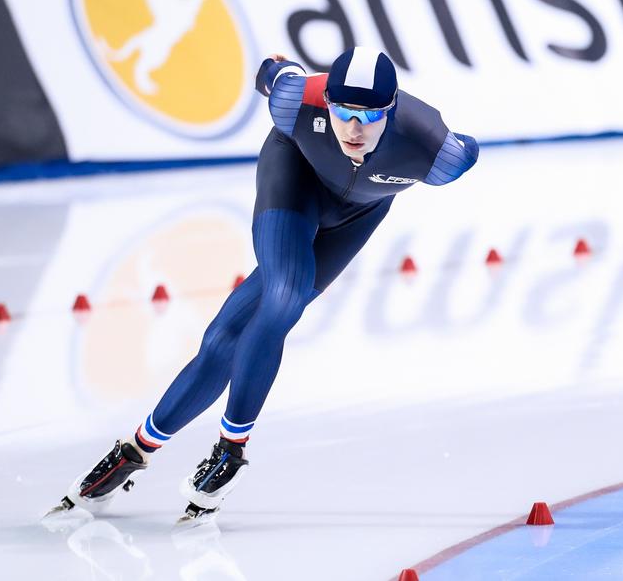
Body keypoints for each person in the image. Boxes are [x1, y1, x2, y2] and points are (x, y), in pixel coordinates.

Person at [44, 47, 479, 525]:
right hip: (291, 181)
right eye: (343, 112)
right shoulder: (297, 99)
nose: (354, 129)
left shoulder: (435, 150)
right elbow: (272, 71)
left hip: (356, 217)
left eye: (369, 115)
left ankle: (137, 449)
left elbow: (467, 150)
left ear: (391, 109)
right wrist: (276, 71)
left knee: (224, 340)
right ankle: (231, 450)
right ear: (327, 102)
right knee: (284, 295)